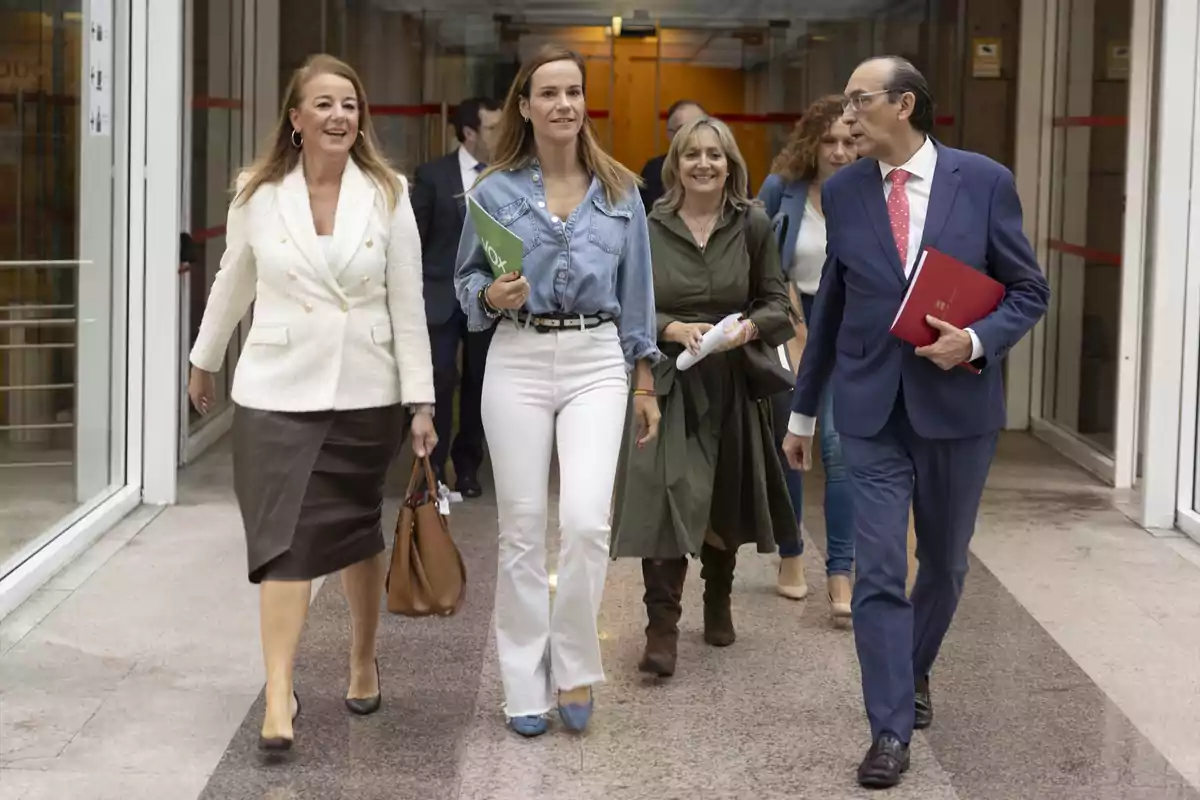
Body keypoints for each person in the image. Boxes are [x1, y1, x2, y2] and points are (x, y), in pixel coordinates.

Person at [783, 57, 1049, 788]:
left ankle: (912, 669)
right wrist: (804, 410)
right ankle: (889, 730)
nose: (846, 117)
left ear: (903, 105)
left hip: (958, 409)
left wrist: (977, 341)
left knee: (947, 562)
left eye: (858, 101)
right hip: (869, 409)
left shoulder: (984, 180)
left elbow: (1029, 290)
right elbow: (833, 304)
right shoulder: (844, 190)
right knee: (877, 569)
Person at [187, 54, 437, 754]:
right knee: (284, 541)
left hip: (365, 395)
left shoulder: (389, 193)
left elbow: (407, 305)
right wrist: (203, 359)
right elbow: (233, 282)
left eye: (350, 105)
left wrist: (420, 401)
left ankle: (361, 661)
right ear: (295, 119)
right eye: (323, 104)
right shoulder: (257, 193)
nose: (338, 116)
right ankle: (277, 693)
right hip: (274, 391)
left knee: (356, 534)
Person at [454, 44, 661, 738]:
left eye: (574, 92)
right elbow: (464, 288)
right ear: (525, 105)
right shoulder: (492, 192)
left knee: (583, 521)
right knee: (518, 530)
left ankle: (573, 664)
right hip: (516, 355)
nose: (564, 104)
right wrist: (491, 293)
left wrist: (644, 381)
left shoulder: (620, 190)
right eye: (549, 93)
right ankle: (522, 681)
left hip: (596, 357)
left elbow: (639, 296)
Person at [611, 116, 797, 679]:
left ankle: (718, 597)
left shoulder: (753, 224)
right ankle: (661, 630)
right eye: (692, 154)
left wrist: (744, 329)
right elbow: (629, 302)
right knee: (665, 499)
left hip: (732, 382)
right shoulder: (650, 224)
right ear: (676, 164)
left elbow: (776, 303)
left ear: (730, 163)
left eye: (714, 155)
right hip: (669, 383)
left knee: (721, 497)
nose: (703, 164)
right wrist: (670, 329)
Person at [758, 95, 858, 614]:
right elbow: (756, 254)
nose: (839, 152)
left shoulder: (873, 193)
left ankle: (841, 571)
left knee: (840, 450)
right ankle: (791, 552)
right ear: (812, 143)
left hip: (848, 328)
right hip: (791, 322)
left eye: (848, 141)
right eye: (829, 141)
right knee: (792, 445)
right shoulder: (782, 190)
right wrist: (786, 312)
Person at [411, 96, 502, 497]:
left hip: (486, 297)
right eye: (494, 128)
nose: (501, 135)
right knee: (441, 378)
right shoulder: (433, 175)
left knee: (480, 383)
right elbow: (416, 238)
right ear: (470, 133)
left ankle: (469, 468)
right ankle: (434, 466)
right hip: (442, 297)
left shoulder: (507, 174)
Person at [638, 99, 706, 208]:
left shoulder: (723, 169)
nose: (692, 135)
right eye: (683, 129)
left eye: (698, 127)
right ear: (670, 134)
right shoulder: (653, 171)